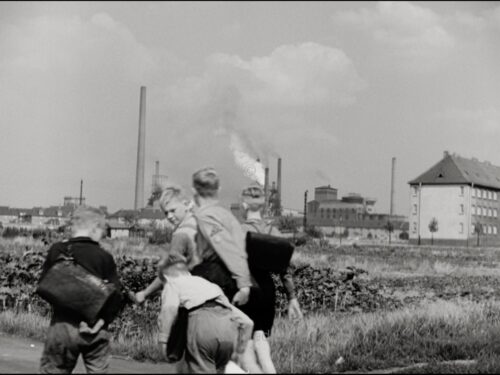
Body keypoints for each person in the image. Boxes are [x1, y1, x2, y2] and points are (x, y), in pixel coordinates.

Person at [38, 206, 124, 374]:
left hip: (62, 326)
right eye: (103, 229)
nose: (104, 235)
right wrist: (102, 321)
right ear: (95, 228)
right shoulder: (104, 256)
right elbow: (117, 296)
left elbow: (43, 285)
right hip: (95, 328)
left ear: (73, 227)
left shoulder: (58, 250)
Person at [239, 183, 303, 374]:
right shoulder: (275, 233)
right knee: (261, 339)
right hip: (267, 292)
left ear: (243, 205)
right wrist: (292, 298)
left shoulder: (237, 231)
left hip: (246, 291)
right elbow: (285, 270)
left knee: (246, 350)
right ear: (265, 206)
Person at [157, 252, 254, 374]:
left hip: (202, 325)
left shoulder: (172, 283)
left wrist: (163, 340)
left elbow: (169, 310)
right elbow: (247, 322)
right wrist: (239, 353)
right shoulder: (209, 285)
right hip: (227, 330)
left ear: (166, 277)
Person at [190, 167, 252, 307]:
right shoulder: (225, 214)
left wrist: (243, 285)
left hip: (216, 276)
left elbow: (227, 248)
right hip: (234, 274)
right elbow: (241, 248)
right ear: (219, 189)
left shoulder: (205, 217)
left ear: (194, 191)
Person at [135, 184, 199, 303]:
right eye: (166, 213)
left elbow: (170, 272)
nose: (169, 216)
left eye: (173, 210)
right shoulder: (199, 222)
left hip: (195, 295)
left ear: (186, 204)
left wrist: (145, 293)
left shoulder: (181, 234)